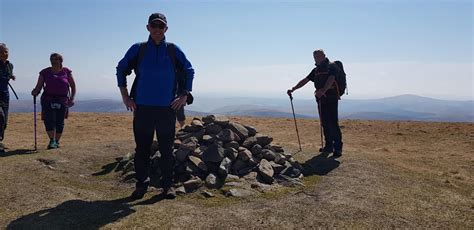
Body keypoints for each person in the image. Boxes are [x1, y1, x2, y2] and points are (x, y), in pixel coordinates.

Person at [116, 12, 195, 200]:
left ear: (166, 29)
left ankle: (167, 187)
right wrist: (125, 97)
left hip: (167, 109)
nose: (157, 30)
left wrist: (184, 94)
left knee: (167, 149)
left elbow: (189, 69)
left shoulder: (173, 50)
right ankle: (141, 186)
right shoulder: (139, 49)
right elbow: (121, 68)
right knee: (141, 149)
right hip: (142, 108)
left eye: (161, 26)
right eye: (154, 26)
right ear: (148, 28)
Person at [287, 49, 343, 158]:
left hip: (331, 98)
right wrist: (294, 88)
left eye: (318, 56)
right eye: (315, 56)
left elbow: (331, 79)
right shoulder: (316, 70)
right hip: (321, 99)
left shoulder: (332, 67)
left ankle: (338, 148)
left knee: (333, 122)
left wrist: (323, 91)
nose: (316, 58)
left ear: (324, 56)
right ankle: (328, 146)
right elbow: (306, 80)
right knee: (325, 122)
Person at [32, 53, 76, 149]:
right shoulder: (44, 72)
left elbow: (73, 85)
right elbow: (39, 86)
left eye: (56, 59)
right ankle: (52, 141)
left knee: (60, 121)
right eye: (51, 59)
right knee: (48, 120)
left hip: (62, 99)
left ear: (60, 60)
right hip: (48, 99)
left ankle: (57, 141)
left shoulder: (66, 71)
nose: (53, 61)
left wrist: (72, 98)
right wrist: (35, 91)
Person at [0, 43, 16, 153]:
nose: (4, 54)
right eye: (1, 52)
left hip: (5, 95)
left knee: (4, 121)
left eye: (6, 51)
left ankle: (0, 141)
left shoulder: (10, 65)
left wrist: (11, 76)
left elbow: (9, 74)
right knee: (0, 116)